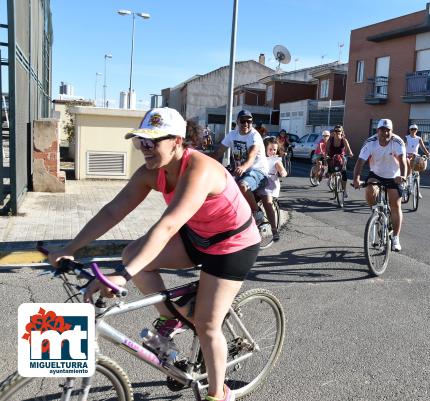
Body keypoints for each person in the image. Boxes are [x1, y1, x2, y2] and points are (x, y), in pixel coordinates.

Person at [48, 107, 259, 401]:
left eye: (152, 142)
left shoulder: (200, 169)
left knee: (208, 325)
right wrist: (70, 248)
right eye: (140, 142)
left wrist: (122, 277)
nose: (144, 149)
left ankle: (218, 393)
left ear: (177, 141)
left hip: (233, 243)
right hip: (198, 235)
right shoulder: (151, 173)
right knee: (132, 253)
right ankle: (170, 319)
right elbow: (113, 210)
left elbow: (168, 225)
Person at [352, 118, 407, 252]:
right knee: (370, 189)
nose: (385, 133)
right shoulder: (371, 142)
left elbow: (403, 161)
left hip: (394, 176)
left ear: (391, 131)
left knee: (395, 205)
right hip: (376, 173)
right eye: (382, 130)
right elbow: (360, 162)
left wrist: (403, 176)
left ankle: (395, 238)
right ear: (378, 131)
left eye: (388, 130)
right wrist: (356, 179)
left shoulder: (397, 142)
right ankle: (375, 214)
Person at [215, 110, 269, 223]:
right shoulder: (232, 135)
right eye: (243, 121)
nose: (246, 124)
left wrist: (243, 167)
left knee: (243, 185)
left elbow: (252, 155)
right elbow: (219, 152)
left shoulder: (255, 136)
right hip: (241, 171)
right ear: (237, 122)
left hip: (258, 172)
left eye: (249, 121)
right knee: (221, 187)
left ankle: (257, 213)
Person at [257, 137, 287, 241]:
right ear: (265, 148)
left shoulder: (276, 159)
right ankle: (257, 217)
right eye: (270, 149)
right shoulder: (260, 157)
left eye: (274, 149)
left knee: (267, 202)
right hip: (258, 182)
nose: (273, 152)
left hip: (270, 185)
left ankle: (274, 229)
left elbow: (280, 167)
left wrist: (283, 172)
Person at [326, 125, 354, 199]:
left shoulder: (344, 140)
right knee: (330, 167)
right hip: (332, 157)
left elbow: (349, 150)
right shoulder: (330, 140)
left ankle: (344, 190)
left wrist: (350, 153)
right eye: (335, 131)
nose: (337, 132)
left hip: (341, 158)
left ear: (342, 132)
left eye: (339, 131)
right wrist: (326, 155)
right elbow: (326, 149)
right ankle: (330, 177)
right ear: (334, 132)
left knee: (344, 173)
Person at [406, 124, 430, 199]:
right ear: (410, 130)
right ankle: (406, 186)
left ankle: (417, 191)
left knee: (417, 172)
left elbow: (423, 147)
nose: (414, 130)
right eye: (412, 129)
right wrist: (405, 154)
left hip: (415, 156)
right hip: (407, 156)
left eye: (415, 129)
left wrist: (428, 154)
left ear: (417, 130)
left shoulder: (419, 138)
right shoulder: (406, 138)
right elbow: (404, 146)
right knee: (408, 171)